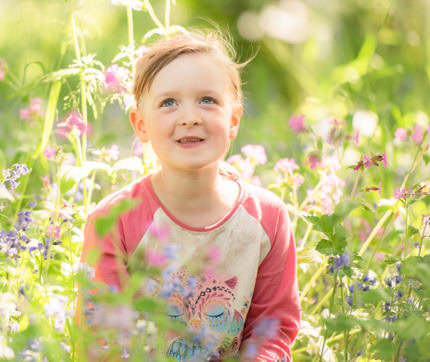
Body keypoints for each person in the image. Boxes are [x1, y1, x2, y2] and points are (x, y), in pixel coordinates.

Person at [77, 30, 301, 361]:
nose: (190, 117)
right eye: (168, 103)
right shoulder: (114, 221)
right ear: (141, 125)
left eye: (207, 100)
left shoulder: (266, 217)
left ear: (234, 120)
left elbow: (273, 331)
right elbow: (102, 340)